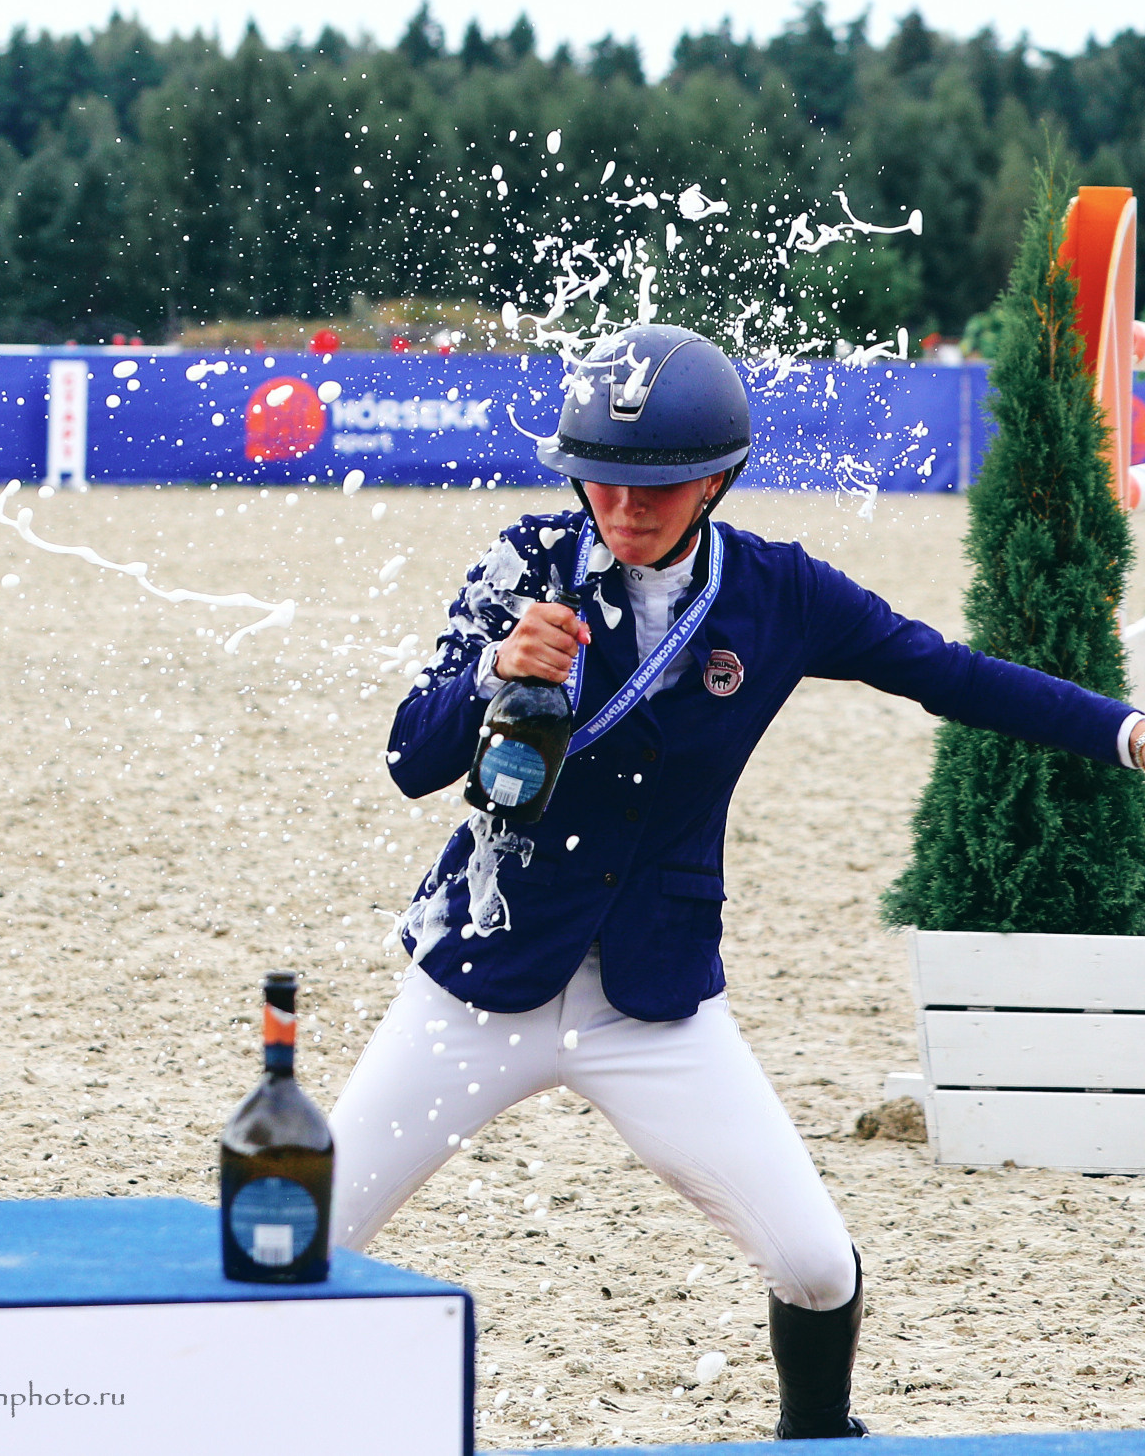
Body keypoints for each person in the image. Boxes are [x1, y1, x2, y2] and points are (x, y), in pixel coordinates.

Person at [337, 323, 1145, 1441]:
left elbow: (947, 673)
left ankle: (817, 1436)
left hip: (652, 999)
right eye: (602, 479)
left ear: (715, 478)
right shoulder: (525, 562)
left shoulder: (779, 592)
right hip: (479, 980)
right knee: (300, 1236)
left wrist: (1125, 731)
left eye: (656, 486)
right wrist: (492, 670)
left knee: (815, 1265)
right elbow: (408, 758)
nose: (625, 507)